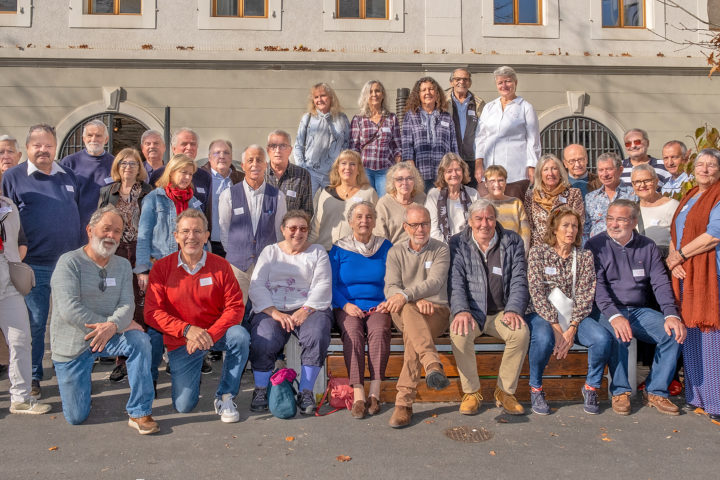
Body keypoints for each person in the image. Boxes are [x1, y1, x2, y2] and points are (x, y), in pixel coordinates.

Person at [50, 206, 158, 433]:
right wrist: (110, 326)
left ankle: (140, 411)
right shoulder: (69, 263)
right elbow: (69, 309)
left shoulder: (121, 265)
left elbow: (127, 305)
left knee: (140, 341)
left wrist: (112, 326)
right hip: (74, 344)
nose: (111, 236)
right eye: (106, 229)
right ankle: (81, 386)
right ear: (90, 230)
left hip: (110, 336)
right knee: (76, 417)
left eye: (117, 231)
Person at [144, 209, 250, 423]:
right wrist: (186, 330)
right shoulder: (162, 268)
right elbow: (152, 313)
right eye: (185, 231)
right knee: (184, 406)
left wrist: (209, 334)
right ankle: (192, 372)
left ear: (206, 236)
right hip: (182, 340)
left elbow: (235, 307)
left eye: (197, 231)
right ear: (176, 236)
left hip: (215, 333)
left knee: (239, 335)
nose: (191, 236)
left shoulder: (220, 266)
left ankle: (226, 396)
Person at [2, 124, 82, 399]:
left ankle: (69, 369)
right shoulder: (13, 177)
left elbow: (78, 214)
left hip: (68, 266)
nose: (43, 150)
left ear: (55, 147)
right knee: (34, 323)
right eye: (37, 145)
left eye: (48, 145)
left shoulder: (68, 175)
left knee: (69, 320)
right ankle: (34, 375)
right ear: (28, 148)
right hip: (33, 265)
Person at [587, 199, 686, 416]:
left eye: (620, 219)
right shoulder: (595, 245)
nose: (613, 224)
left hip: (638, 310)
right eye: (609, 219)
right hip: (607, 310)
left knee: (673, 333)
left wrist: (670, 313)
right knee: (620, 332)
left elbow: (660, 282)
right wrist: (614, 315)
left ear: (633, 222)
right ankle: (620, 391)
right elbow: (598, 288)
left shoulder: (647, 246)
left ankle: (656, 390)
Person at [525, 206, 613, 415]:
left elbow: (585, 295)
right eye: (565, 225)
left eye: (575, 226)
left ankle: (591, 387)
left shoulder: (584, 257)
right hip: (541, 315)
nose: (570, 230)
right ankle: (536, 388)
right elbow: (536, 292)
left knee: (602, 338)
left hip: (574, 316)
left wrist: (571, 329)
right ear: (554, 229)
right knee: (544, 339)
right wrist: (557, 329)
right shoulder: (538, 253)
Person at [448, 199, 530, 416]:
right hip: (472, 313)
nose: (484, 223)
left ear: (496, 220)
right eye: (479, 218)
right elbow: (455, 282)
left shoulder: (512, 241)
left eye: (490, 218)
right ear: (469, 221)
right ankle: (472, 392)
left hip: (502, 312)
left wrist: (513, 309)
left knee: (520, 334)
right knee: (458, 333)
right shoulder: (458, 243)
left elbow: (519, 280)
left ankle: (505, 392)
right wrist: (461, 310)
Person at [247, 210, 333, 415]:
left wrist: (306, 309)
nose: (298, 233)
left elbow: (323, 283)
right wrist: (275, 313)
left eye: (303, 229)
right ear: (283, 230)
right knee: (263, 338)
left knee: (316, 334)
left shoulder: (318, 252)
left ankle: (306, 391)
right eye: (292, 228)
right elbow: (257, 285)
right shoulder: (270, 252)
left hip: (309, 308)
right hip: (274, 308)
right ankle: (260, 389)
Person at [135, 153, 203, 381]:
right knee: (156, 325)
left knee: (187, 320)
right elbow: (143, 235)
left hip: (189, 271)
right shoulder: (154, 198)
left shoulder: (194, 202)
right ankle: (151, 375)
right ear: (171, 172)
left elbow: (203, 236)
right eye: (183, 172)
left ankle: (181, 366)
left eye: (190, 174)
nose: (186, 177)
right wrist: (142, 269)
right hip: (160, 268)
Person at [384, 204, 451, 428]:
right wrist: (410, 300)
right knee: (410, 312)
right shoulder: (395, 251)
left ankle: (404, 404)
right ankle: (432, 364)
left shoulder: (441, 249)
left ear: (431, 224)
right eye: (414, 225)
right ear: (405, 227)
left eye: (425, 224)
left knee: (413, 337)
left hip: (436, 312)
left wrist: (407, 296)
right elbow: (391, 287)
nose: (420, 229)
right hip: (404, 312)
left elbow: (435, 282)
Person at [667, 148, 720, 425]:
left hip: (711, 276)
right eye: (701, 164)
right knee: (692, 332)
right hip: (686, 274)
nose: (705, 169)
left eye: (711, 165)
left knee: (712, 335)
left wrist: (681, 255)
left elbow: (713, 235)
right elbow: (675, 231)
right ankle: (697, 396)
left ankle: (716, 400)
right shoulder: (690, 196)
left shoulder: (718, 195)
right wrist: (673, 259)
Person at [329, 201, 393, 419]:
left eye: (368, 217)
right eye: (359, 217)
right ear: (350, 221)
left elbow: (394, 279)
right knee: (353, 334)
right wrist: (346, 304)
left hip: (379, 305)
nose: (364, 221)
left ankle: (374, 393)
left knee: (379, 332)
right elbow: (331, 283)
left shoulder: (386, 247)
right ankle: (358, 394)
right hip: (348, 305)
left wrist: (386, 301)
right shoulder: (339, 249)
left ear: (375, 221)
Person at [97, 148, 153, 382]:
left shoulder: (148, 192)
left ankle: (142, 355)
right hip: (115, 252)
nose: (128, 167)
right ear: (117, 167)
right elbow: (99, 223)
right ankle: (121, 360)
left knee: (141, 303)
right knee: (119, 302)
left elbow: (154, 225)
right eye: (123, 163)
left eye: (133, 163)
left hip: (140, 252)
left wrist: (147, 262)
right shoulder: (107, 192)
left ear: (139, 168)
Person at [0, 193, 51, 415]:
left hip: (8, 282)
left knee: (21, 339)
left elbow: (21, 240)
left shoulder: (8, 206)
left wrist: (14, 262)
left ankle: (20, 398)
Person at [218, 145, 285, 303]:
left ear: (266, 165)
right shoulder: (228, 195)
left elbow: (279, 232)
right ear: (243, 166)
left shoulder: (278, 196)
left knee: (267, 310)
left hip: (267, 266)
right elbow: (224, 229)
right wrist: (237, 251)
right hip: (237, 265)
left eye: (259, 160)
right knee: (235, 310)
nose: (255, 164)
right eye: (250, 160)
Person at [474, 66, 540, 201]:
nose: (504, 85)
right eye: (500, 82)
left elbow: (533, 139)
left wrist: (532, 166)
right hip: (490, 171)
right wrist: (478, 164)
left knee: (513, 208)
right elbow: (480, 137)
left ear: (516, 82)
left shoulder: (525, 107)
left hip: (516, 171)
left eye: (508, 81)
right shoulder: (489, 107)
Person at [309, 150, 378, 250]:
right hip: (326, 251)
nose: (347, 167)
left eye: (352, 164)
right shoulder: (326, 193)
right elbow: (316, 225)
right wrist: (307, 247)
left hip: (354, 252)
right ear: (337, 168)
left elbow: (376, 225)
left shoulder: (368, 193)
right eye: (343, 163)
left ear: (359, 170)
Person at [401, 76, 458, 192]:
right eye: (424, 90)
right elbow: (407, 148)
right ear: (418, 95)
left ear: (437, 93)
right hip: (420, 173)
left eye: (431, 89)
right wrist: (413, 173)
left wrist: (454, 169)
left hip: (443, 174)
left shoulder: (446, 117)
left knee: (441, 207)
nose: (428, 92)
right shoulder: (411, 116)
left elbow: (453, 146)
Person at [294, 83, 350, 194]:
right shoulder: (308, 118)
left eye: (323, 95)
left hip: (333, 175)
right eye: (316, 97)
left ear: (331, 97)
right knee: (305, 208)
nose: (319, 100)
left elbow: (347, 145)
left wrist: (341, 169)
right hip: (311, 173)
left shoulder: (342, 118)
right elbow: (298, 146)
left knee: (333, 208)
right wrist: (303, 169)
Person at [59, 119, 115, 233]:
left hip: (105, 228)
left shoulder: (114, 163)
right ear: (84, 138)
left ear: (106, 139)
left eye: (98, 136)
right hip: (75, 227)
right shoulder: (69, 163)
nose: (93, 139)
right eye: (90, 135)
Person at [349, 80, 402, 197]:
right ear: (365, 96)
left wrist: (396, 170)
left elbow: (397, 147)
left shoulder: (391, 118)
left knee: (384, 202)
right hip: (365, 170)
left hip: (385, 171)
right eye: (370, 92)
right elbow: (354, 149)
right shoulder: (358, 119)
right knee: (366, 202)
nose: (374, 94)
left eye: (377, 91)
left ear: (382, 94)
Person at [524, 154, 584, 248]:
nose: (550, 173)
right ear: (540, 174)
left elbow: (579, 223)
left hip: (565, 249)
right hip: (539, 251)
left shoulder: (574, 194)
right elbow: (529, 227)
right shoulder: (530, 195)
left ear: (560, 172)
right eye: (546, 169)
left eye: (554, 169)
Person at [199, 139, 244, 257]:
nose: (222, 156)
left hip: (236, 244)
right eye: (217, 153)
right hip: (208, 244)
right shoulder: (200, 178)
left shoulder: (242, 179)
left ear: (231, 157)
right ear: (209, 157)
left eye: (226, 153)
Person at [148, 128, 212, 210]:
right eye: (184, 144)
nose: (189, 147)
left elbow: (208, 210)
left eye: (193, 144)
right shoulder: (159, 174)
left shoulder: (205, 176)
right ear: (174, 149)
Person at [426, 153, 479, 243]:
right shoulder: (434, 195)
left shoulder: (473, 194)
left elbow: (478, 224)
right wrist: (448, 248)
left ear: (463, 171)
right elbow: (433, 229)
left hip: (469, 246)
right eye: (449, 171)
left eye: (457, 170)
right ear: (443, 174)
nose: (454, 174)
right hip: (442, 248)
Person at [584, 152, 636, 241]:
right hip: (597, 249)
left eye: (609, 169)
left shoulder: (633, 195)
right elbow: (586, 229)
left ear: (620, 170)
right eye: (601, 170)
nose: (605, 174)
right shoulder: (590, 198)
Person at [447, 68, 484, 188]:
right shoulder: (442, 101)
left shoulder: (479, 104)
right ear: (451, 82)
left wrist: (480, 162)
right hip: (449, 159)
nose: (461, 82)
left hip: (471, 160)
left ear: (470, 83)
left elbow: (484, 134)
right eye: (457, 79)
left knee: (471, 197)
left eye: (465, 79)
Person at [631, 164, 679, 258]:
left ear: (656, 181)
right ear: (633, 185)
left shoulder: (672, 205)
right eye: (637, 182)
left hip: (665, 261)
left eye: (647, 181)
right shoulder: (632, 209)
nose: (642, 185)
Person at [373, 161, 426, 244]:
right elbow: (380, 237)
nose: (405, 183)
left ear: (415, 181)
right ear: (393, 182)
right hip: (395, 253)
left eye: (409, 178)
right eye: (399, 179)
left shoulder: (422, 198)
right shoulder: (384, 203)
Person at [483, 165, 530, 253]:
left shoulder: (516, 203)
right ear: (486, 183)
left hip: (513, 253)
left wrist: (521, 255)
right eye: (492, 181)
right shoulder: (480, 204)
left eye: (500, 180)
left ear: (505, 182)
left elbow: (525, 233)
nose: (497, 184)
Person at [265, 130, 313, 215]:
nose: (278, 150)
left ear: (290, 150)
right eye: (273, 146)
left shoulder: (302, 175)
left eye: (283, 146)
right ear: (268, 150)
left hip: (291, 228)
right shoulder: (259, 174)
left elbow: (307, 212)